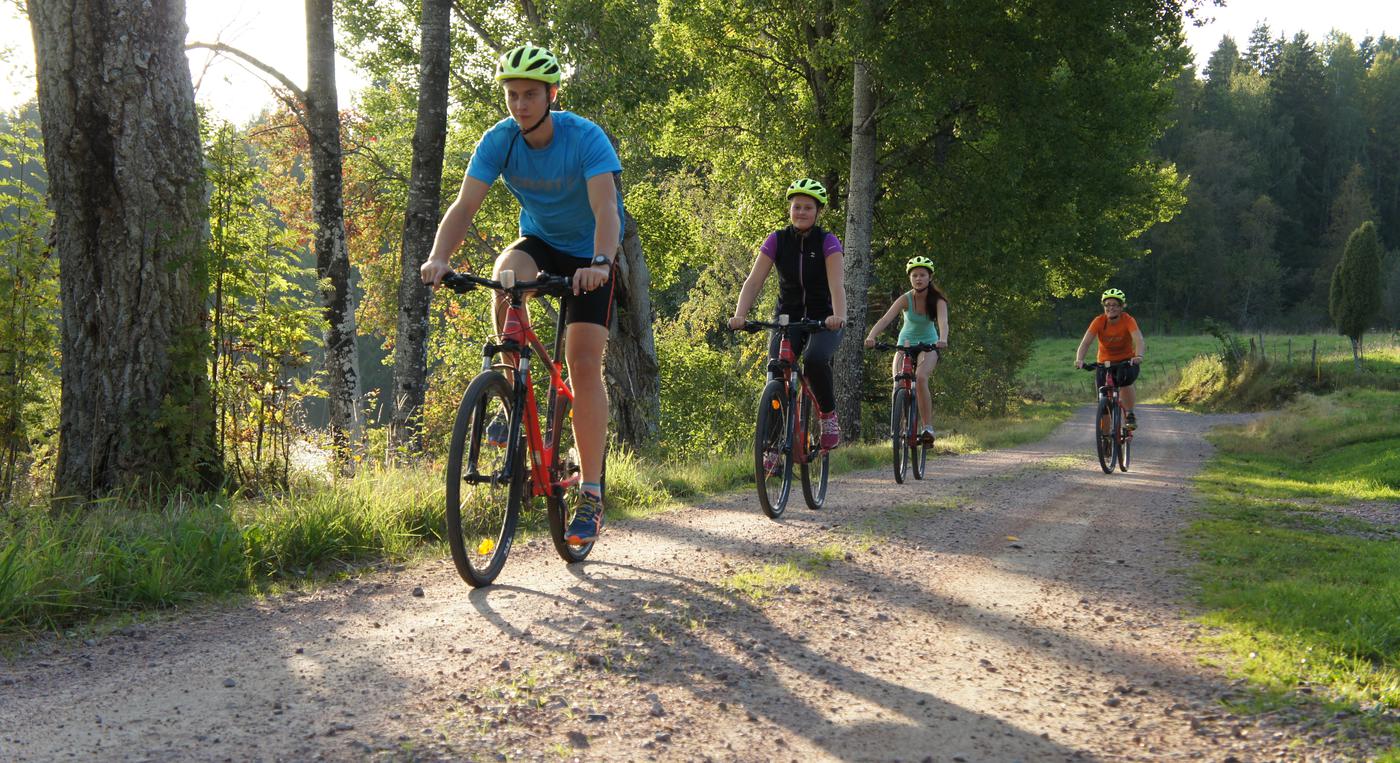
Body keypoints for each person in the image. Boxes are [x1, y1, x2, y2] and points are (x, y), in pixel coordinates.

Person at [421, 43, 623, 546]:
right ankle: (512, 394)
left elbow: (606, 209)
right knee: (506, 274)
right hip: (540, 243)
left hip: (590, 255)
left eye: (531, 94)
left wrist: (601, 263)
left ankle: (591, 494)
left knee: (582, 362)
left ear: (552, 95)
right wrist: (439, 257)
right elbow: (464, 206)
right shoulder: (500, 140)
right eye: (512, 95)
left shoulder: (584, 137)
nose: (520, 104)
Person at [727, 179, 848, 449]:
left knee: (815, 360)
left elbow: (836, 285)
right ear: (790, 210)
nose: (801, 212)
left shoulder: (827, 241)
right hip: (787, 318)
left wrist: (838, 316)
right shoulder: (777, 240)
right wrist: (740, 315)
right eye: (796, 207)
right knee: (776, 371)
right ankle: (771, 446)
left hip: (824, 318)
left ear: (818, 212)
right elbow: (753, 281)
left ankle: (828, 416)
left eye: (808, 207)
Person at [863, 256, 949, 443]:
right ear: (910, 278)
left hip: (929, 345)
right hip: (905, 344)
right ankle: (900, 429)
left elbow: (943, 322)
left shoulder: (938, 300)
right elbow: (886, 319)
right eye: (914, 275)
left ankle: (927, 428)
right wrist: (871, 336)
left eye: (922, 275)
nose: (918, 279)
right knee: (898, 382)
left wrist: (943, 339)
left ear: (930, 277)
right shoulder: (905, 299)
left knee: (921, 378)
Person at [1073, 287, 1145, 430]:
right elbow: (1085, 343)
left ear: (1121, 307)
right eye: (1107, 305)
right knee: (1103, 400)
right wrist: (1079, 359)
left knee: (1125, 381)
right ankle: (1105, 437)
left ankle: (1129, 414)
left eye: (1115, 305)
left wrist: (1138, 356)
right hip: (1104, 363)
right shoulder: (1099, 321)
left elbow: (1139, 340)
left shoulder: (1128, 320)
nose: (1111, 308)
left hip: (1126, 361)